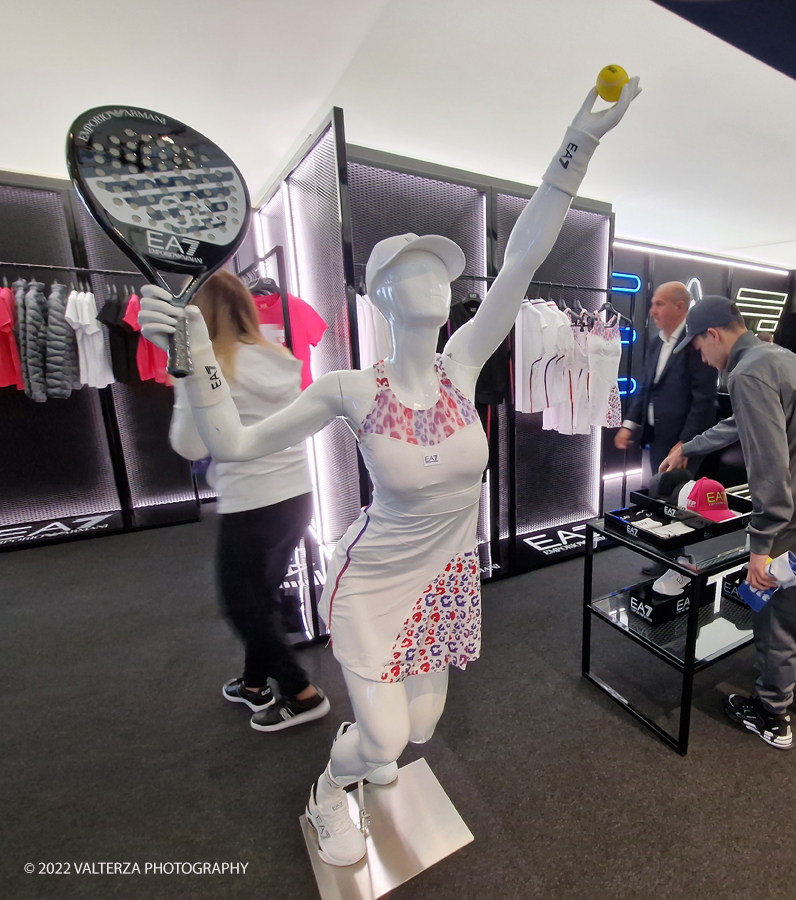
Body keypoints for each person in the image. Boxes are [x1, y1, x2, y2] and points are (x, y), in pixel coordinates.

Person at [141, 77, 640, 866]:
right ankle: (327, 792)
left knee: (419, 733)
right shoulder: (350, 389)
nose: (435, 278)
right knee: (384, 735)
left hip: (445, 578)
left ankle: (369, 764)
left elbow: (522, 258)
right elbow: (233, 444)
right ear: (380, 294)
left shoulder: (462, 364)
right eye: (412, 269)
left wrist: (578, 145)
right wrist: (195, 355)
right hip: (374, 579)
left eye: (440, 268)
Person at [661, 297, 796, 747]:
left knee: (781, 619)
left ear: (713, 334)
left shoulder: (747, 372)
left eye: (698, 348)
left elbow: (768, 466)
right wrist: (690, 446)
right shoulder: (779, 356)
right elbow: (741, 423)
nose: (702, 358)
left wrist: (760, 544)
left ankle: (773, 714)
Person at [168, 271, 329, 732]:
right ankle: (256, 682)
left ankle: (302, 694)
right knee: (263, 594)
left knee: (243, 605)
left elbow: (191, 447)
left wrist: (186, 381)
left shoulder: (207, 366)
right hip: (296, 495)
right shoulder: (279, 354)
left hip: (251, 501)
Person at [615, 281, 718, 475]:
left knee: (679, 497)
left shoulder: (697, 343)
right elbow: (646, 388)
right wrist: (629, 425)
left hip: (685, 442)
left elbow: (704, 400)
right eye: (652, 304)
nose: (652, 311)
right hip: (656, 439)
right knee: (659, 493)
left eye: (659, 304)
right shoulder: (656, 342)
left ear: (680, 306)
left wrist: (685, 444)